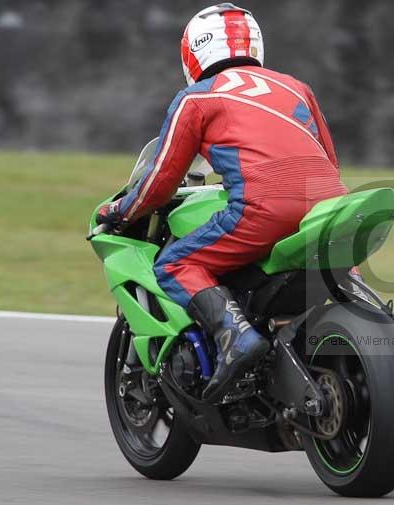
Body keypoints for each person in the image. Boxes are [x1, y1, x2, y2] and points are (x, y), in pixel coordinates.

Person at [97, 3, 347, 403]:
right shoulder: (296, 87)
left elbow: (160, 182)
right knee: (334, 271)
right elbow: (330, 162)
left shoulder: (195, 98)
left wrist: (121, 209)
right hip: (329, 205)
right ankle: (388, 329)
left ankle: (235, 335)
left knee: (176, 263)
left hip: (263, 207)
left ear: (195, 52)